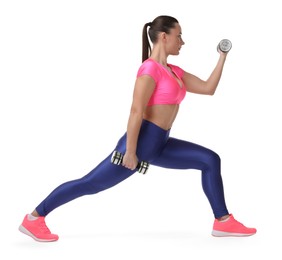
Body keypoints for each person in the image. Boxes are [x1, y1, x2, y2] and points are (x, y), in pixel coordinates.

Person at [19, 15, 256, 242]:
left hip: (160, 144)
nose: (182, 42)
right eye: (179, 36)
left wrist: (222, 57)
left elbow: (207, 88)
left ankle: (222, 221)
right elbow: (135, 111)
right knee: (90, 184)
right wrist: (130, 152)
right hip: (139, 144)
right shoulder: (149, 69)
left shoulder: (175, 72)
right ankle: (34, 217)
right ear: (164, 36)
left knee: (210, 160)